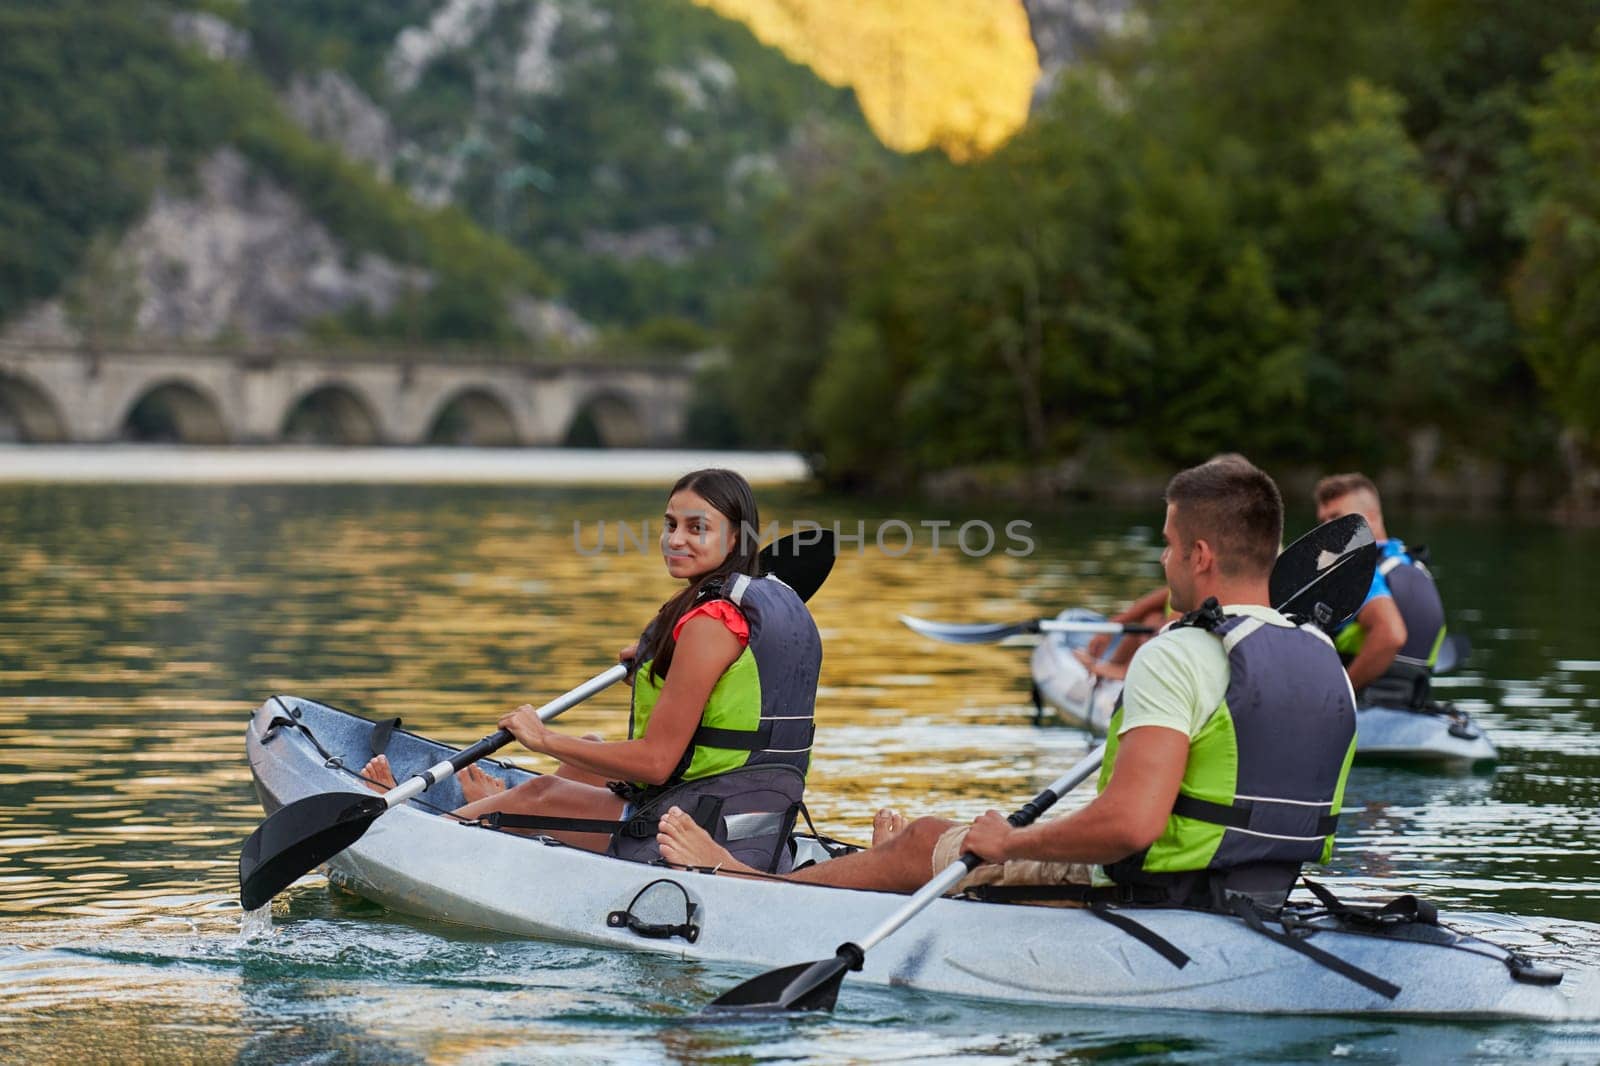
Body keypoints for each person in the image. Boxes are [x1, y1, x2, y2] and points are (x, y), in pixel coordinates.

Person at [657, 459, 1358, 909]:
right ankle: (877, 865)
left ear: (1201, 554)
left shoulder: (1179, 655)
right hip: (1260, 887)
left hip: (1154, 890)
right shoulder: (1321, 653)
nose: (1165, 559)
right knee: (930, 845)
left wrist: (1011, 844)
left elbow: (1130, 826)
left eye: (1169, 545)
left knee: (929, 838)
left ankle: (751, 883)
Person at [361, 468, 824, 872]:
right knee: (589, 751)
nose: (675, 539)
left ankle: (414, 833)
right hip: (753, 822)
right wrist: (657, 664)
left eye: (696, 527)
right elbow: (725, 691)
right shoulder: (754, 604)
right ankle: (484, 811)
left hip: (689, 832)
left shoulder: (710, 623)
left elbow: (657, 763)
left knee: (538, 793)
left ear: (736, 539)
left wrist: (541, 739)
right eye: (670, 524)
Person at [1313, 473, 1447, 708]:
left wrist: (1340, 698)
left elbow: (1391, 634)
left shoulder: (1359, 570)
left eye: (1336, 518)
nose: (1327, 529)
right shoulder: (1413, 565)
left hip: (1366, 705)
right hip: (1414, 703)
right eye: (1323, 521)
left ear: (1371, 518)